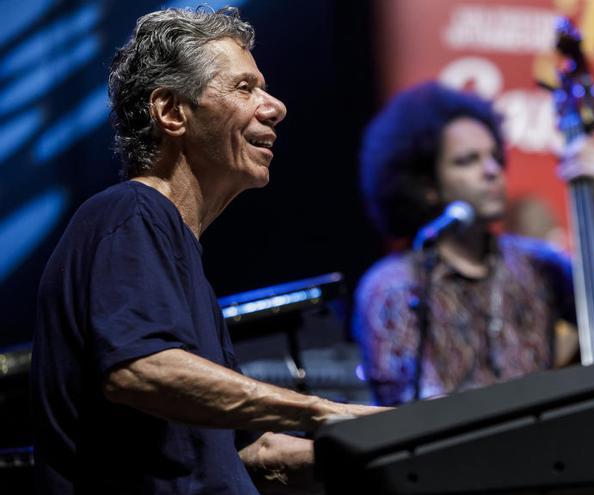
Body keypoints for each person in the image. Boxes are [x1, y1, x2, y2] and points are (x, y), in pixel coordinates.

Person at [30, 7, 384, 494]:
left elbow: (253, 453)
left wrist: (389, 446)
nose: (275, 106)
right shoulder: (130, 212)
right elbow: (140, 370)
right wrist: (324, 411)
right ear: (172, 111)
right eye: (245, 88)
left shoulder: (173, 245)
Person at [354, 82, 594, 406]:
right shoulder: (394, 286)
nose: (491, 171)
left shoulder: (536, 264)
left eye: (494, 157)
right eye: (467, 161)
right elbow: (410, 410)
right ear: (427, 186)